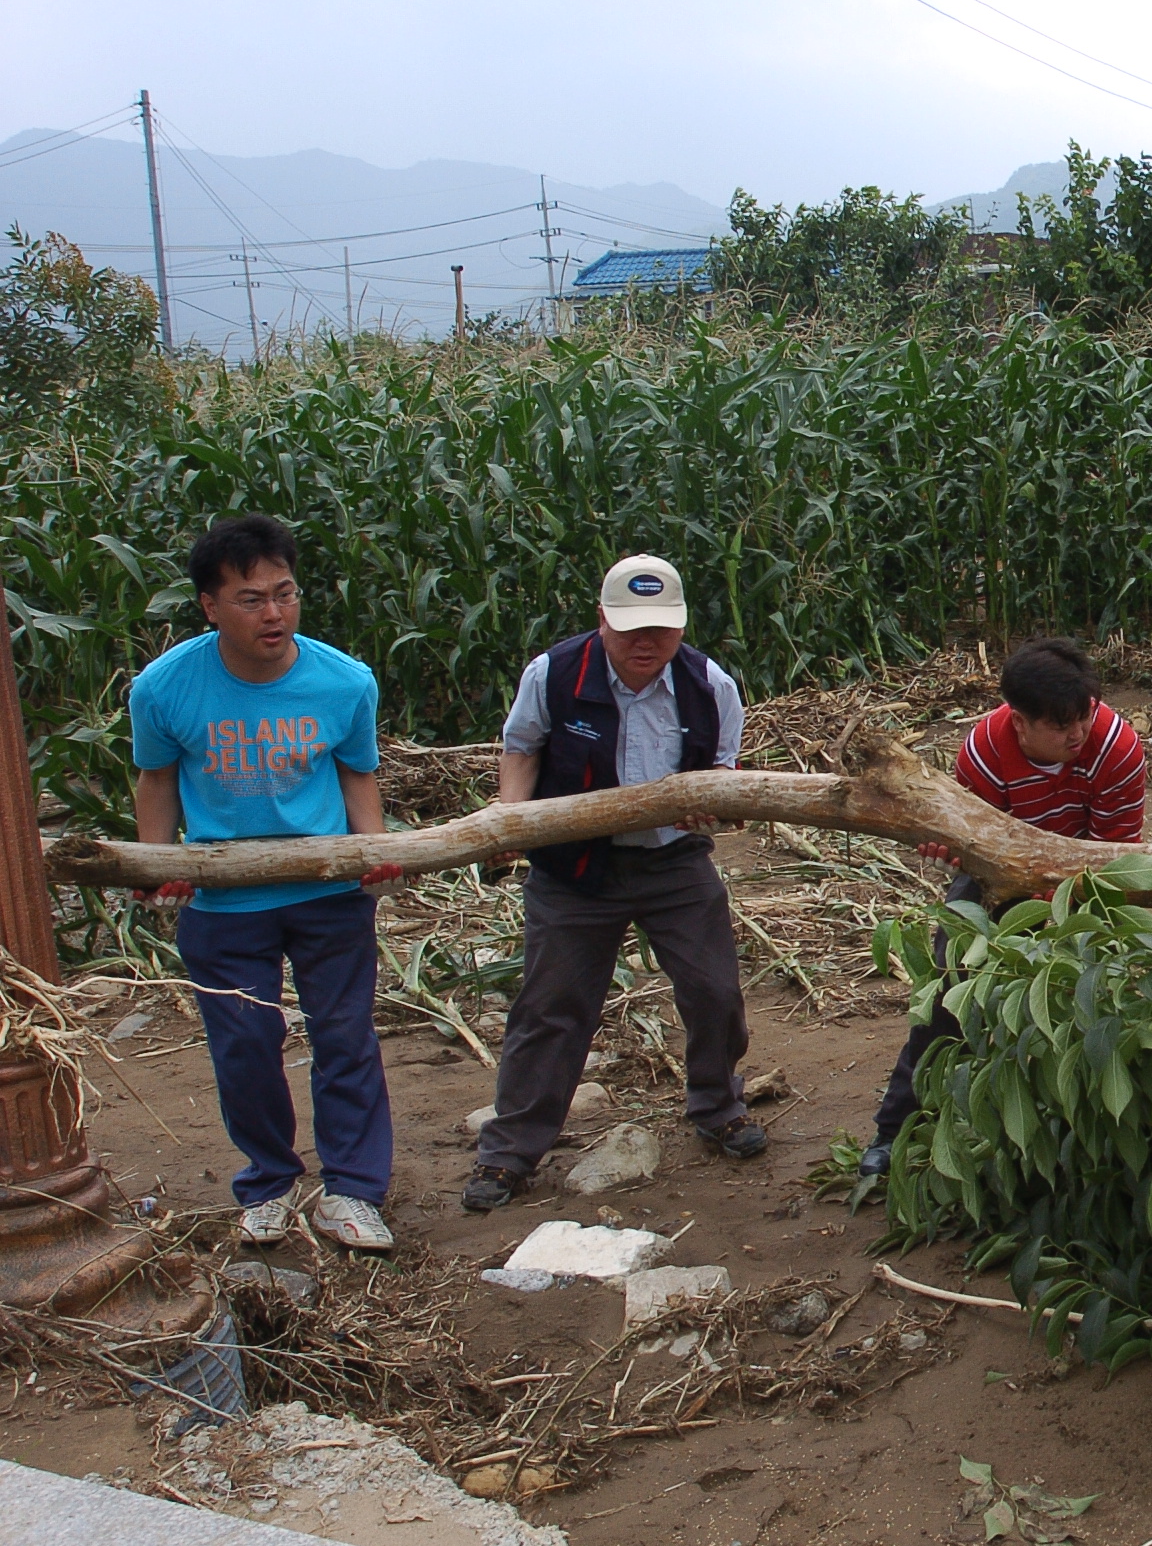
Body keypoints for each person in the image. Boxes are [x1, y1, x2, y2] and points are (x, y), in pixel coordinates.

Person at [130, 515, 404, 1251]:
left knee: (345, 1036)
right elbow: (156, 779)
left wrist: (371, 851)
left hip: (326, 893)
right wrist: (157, 864)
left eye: (285, 594)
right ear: (210, 607)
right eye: (250, 599)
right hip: (224, 901)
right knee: (246, 1043)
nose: (274, 613)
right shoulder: (164, 688)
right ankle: (270, 1184)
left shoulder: (344, 681)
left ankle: (352, 1191)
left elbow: (357, 770)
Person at [461, 553, 765, 1212]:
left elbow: (725, 776)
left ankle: (718, 1105)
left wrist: (705, 803)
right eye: (630, 629)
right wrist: (512, 822)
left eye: (661, 629)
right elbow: (523, 748)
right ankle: (509, 1152)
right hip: (573, 868)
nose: (645, 644)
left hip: (673, 864)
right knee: (551, 1006)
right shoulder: (555, 674)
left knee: (714, 989)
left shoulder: (710, 685)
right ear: (602, 620)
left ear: (681, 626)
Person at [860, 637, 1146, 1176]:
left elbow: (1115, 856)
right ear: (1019, 720)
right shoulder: (986, 751)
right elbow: (976, 844)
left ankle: (1081, 1140)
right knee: (949, 995)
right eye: (1060, 726)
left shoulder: (1115, 746)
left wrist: (1059, 908)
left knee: (1096, 997)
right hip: (999, 878)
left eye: (1083, 716)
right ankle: (894, 1132)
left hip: (1087, 881)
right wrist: (949, 844)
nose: (1077, 734)